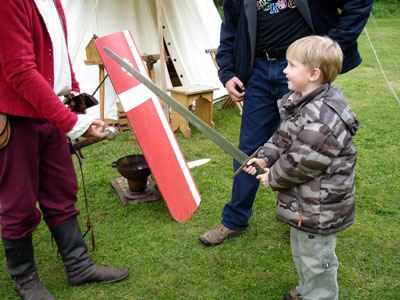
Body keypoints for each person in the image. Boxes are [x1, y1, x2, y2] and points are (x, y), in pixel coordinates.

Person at [199, 0, 373, 246]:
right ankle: (234, 220)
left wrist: (333, 47)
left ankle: (303, 219)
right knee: (248, 150)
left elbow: (360, 2)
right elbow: (231, 29)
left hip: (304, 71)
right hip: (257, 69)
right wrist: (227, 72)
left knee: (305, 147)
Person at [0, 1, 129, 299]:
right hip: (18, 116)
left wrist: (72, 92)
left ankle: (78, 265)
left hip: (50, 111)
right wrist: (71, 122)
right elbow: (19, 71)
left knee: (61, 190)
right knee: (18, 202)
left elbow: (55, 51)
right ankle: (26, 279)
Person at [244, 35, 358, 300]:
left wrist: (273, 177)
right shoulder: (300, 100)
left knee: (317, 260)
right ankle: (308, 290)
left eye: (292, 65)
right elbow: (282, 138)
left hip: (320, 207)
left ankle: (319, 295)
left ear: (314, 74)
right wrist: (265, 159)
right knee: (302, 251)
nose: (284, 70)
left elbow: (300, 163)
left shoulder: (322, 119)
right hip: (304, 204)